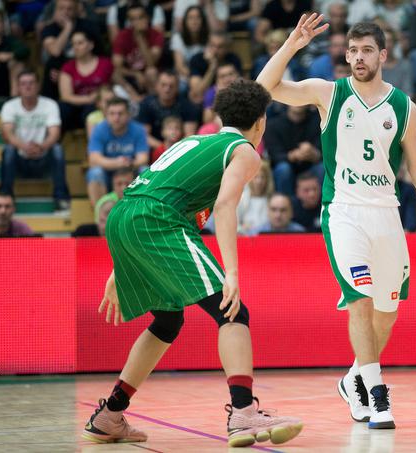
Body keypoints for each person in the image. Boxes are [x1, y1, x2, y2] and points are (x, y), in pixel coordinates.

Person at [257, 16, 416, 429]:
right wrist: (293, 46)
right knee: (361, 302)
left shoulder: (403, 106)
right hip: (344, 212)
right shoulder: (329, 93)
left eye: (366, 50)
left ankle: (354, 378)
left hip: (387, 214)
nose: (357, 57)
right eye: (352, 51)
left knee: (387, 312)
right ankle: (378, 396)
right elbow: (264, 89)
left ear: (383, 55)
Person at [82, 79, 303, 448]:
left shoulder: (193, 142)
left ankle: (110, 414)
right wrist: (231, 272)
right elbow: (225, 206)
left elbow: (148, 192)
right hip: (155, 220)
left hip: (124, 216)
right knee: (232, 311)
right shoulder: (243, 150)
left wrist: (120, 266)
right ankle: (243, 411)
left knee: (168, 321)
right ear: (261, 122)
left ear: (220, 116)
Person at [0, 70, 71, 213]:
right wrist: (24, 147)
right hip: (19, 160)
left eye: (31, 83)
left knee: (57, 149)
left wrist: (42, 147)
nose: (27, 87)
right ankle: (5, 197)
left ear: (38, 86)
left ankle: (61, 197)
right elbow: (7, 134)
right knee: (8, 150)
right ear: (18, 87)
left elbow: (55, 134)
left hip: (43, 158)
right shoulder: (9, 106)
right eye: (23, 84)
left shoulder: (50, 104)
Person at [87, 97, 149, 206]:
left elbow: (143, 159)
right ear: (106, 115)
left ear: (128, 115)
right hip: (108, 172)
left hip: (131, 170)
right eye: (112, 114)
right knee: (95, 173)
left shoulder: (138, 129)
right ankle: (101, 215)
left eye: (120, 113)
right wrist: (117, 163)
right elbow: (94, 159)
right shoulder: (99, 129)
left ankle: (142, 210)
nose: (116, 118)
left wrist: (129, 163)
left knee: (145, 170)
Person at [40, 0, 103, 100]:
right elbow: (55, 51)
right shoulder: (49, 29)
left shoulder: (89, 27)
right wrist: (67, 28)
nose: (65, 12)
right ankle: (50, 104)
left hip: (86, 69)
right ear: (55, 10)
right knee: (51, 68)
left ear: (77, 10)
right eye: (61, 8)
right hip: (59, 69)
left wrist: (68, 76)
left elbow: (100, 55)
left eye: (69, 9)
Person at [58, 30, 113, 132]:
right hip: (75, 106)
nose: (76, 47)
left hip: (98, 104)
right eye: (73, 44)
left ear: (91, 45)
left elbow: (115, 84)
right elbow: (66, 96)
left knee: (91, 110)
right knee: (61, 108)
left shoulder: (105, 63)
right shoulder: (67, 67)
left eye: (80, 43)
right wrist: (88, 98)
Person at [263, 105, 323, 195]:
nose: (298, 104)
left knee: (323, 168)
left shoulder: (318, 121)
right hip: (286, 167)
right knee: (283, 169)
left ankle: (324, 205)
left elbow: (327, 152)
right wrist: (293, 155)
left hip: (310, 166)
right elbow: (273, 155)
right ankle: (285, 203)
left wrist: (314, 153)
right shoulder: (274, 123)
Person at [112, 3, 164, 100]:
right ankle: (136, 98)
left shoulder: (156, 35)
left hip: (150, 75)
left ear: (147, 18)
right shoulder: (122, 36)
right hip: (131, 75)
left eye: (141, 17)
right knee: (114, 74)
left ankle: (153, 101)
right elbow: (117, 66)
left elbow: (151, 63)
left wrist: (140, 39)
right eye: (133, 19)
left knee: (151, 72)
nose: (138, 22)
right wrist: (135, 74)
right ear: (130, 22)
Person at [136, 71, 199, 149]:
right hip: (155, 149)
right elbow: (143, 135)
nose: (167, 89)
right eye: (163, 85)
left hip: (180, 149)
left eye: (171, 86)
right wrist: (163, 148)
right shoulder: (147, 104)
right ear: (157, 86)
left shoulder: (187, 105)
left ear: (177, 87)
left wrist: (174, 150)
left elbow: (189, 135)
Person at [187, 31, 242, 103]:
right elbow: (197, 92)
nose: (215, 50)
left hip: (228, 95)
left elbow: (239, 84)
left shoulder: (233, 59)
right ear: (207, 45)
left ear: (227, 48)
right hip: (204, 99)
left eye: (220, 47)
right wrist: (212, 67)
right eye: (212, 45)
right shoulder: (197, 59)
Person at [170, 5, 209, 81]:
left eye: (198, 17)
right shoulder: (177, 38)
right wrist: (194, 78)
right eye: (190, 18)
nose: (194, 21)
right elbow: (179, 67)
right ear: (185, 21)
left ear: (203, 20)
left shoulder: (209, 38)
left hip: (203, 77)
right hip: (183, 77)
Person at [237, 160, 273, 234]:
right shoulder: (241, 199)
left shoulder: (271, 199)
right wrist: (241, 229)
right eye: (256, 177)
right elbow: (234, 225)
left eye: (262, 177)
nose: (259, 181)